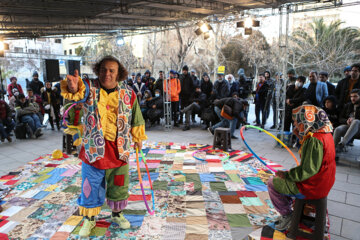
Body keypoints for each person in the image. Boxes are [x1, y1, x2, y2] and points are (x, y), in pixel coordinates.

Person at [61, 56, 147, 237]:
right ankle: (90, 219)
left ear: (119, 73)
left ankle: (117, 214)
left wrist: (138, 137)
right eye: (103, 70)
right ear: (98, 71)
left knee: (119, 184)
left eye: (111, 70)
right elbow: (78, 93)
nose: (107, 74)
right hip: (94, 149)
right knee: (90, 185)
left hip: (119, 148)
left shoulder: (128, 93)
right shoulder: (90, 90)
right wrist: (74, 87)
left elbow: (136, 115)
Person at [267, 104, 335, 231]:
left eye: (296, 120)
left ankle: (287, 215)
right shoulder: (325, 132)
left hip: (314, 185)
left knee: (272, 183)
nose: (295, 123)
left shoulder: (314, 139)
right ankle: (294, 207)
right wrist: (299, 136)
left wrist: (287, 175)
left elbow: (308, 169)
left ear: (306, 119)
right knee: (286, 177)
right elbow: (312, 159)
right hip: (324, 180)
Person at [333, 89, 360, 158]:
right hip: (348, 126)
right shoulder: (348, 105)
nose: (352, 98)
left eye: (355, 96)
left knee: (356, 121)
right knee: (338, 129)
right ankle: (333, 153)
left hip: (358, 129)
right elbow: (340, 118)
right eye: (351, 96)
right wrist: (346, 121)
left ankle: (342, 144)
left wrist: (354, 119)